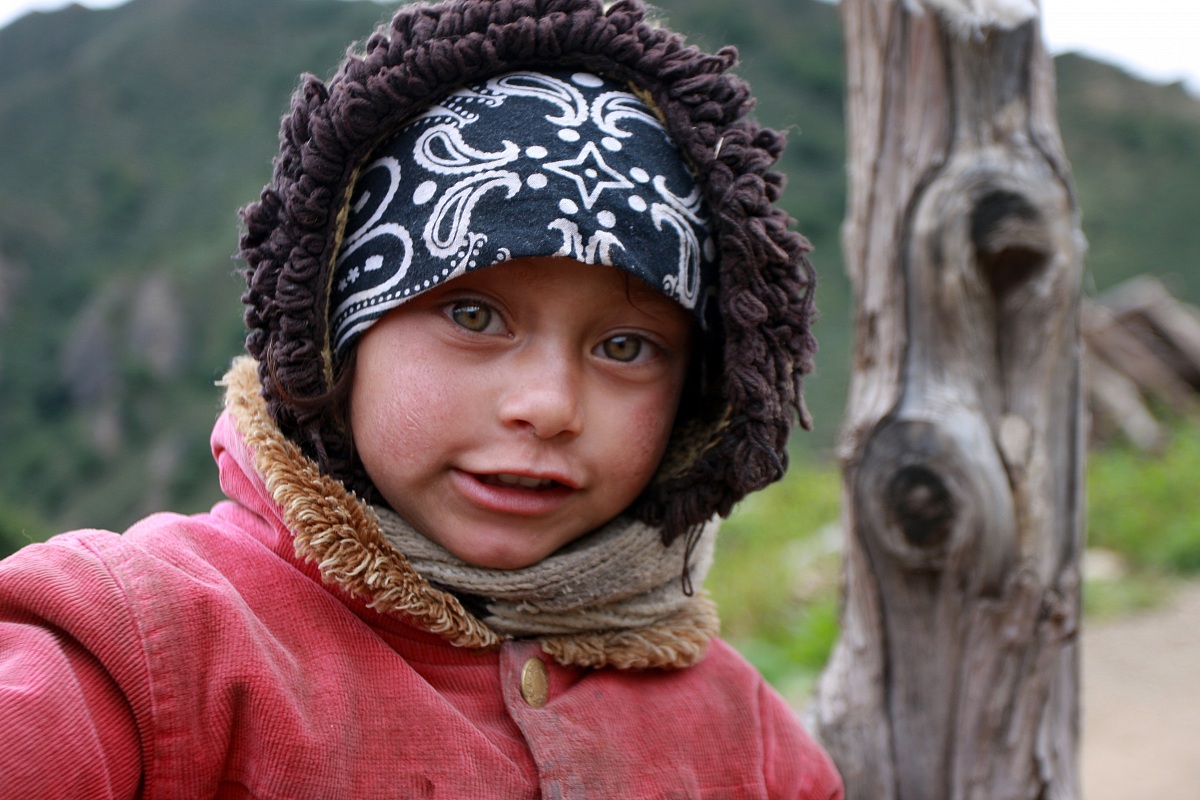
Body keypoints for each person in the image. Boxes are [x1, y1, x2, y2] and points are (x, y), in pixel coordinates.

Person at [0, 0, 843, 797]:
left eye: (625, 347)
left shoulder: (746, 737)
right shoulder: (141, 647)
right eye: (474, 315)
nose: (549, 406)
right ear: (337, 335)